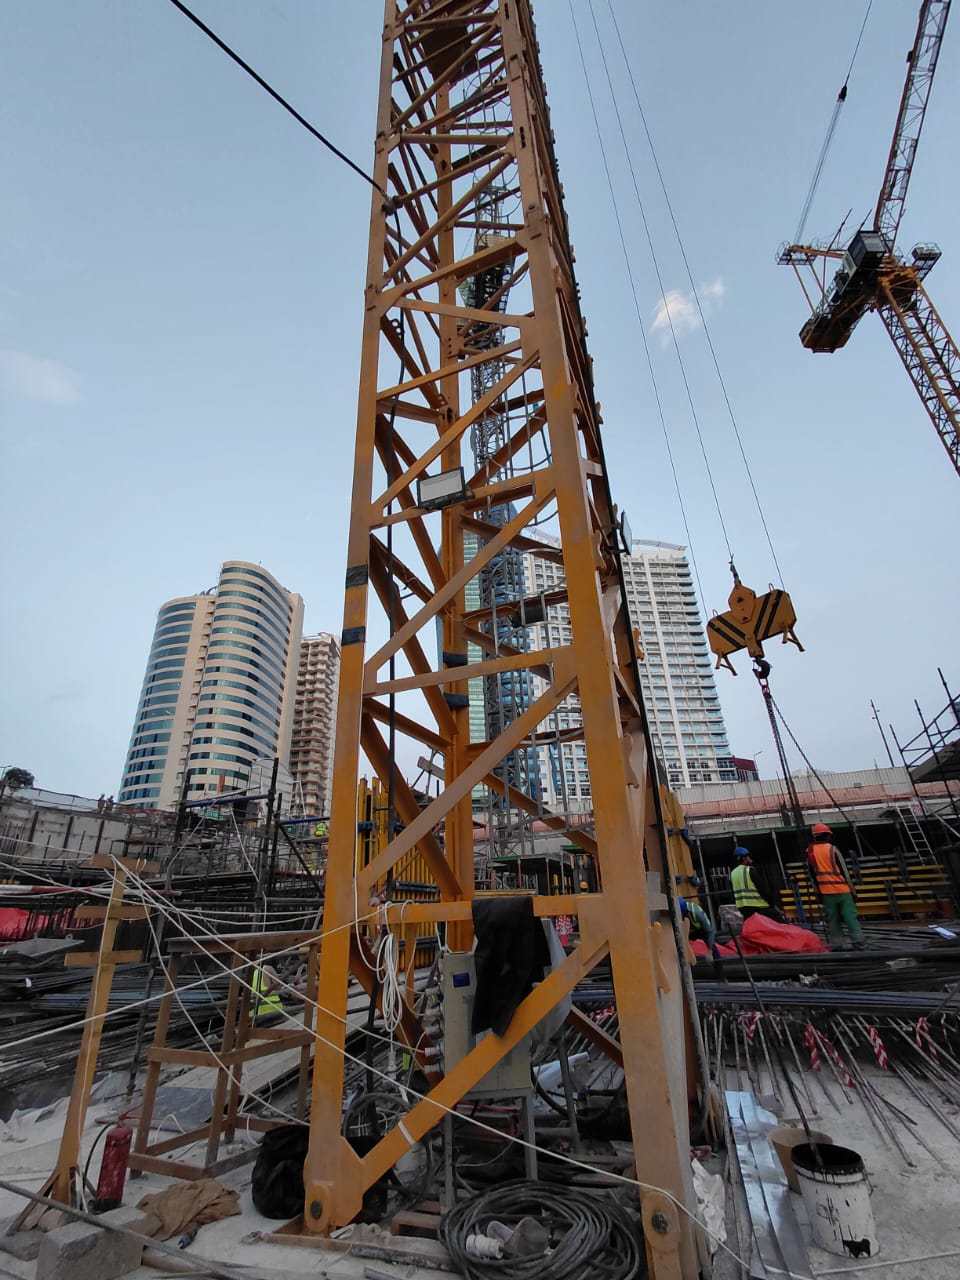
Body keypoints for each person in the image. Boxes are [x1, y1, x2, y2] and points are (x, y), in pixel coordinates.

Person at [807, 823, 865, 951]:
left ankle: (837, 946)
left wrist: (818, 894)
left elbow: (812, 876)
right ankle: (859, 944)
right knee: (850, 917)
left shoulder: (810, 852)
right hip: (842, 890)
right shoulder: (833, 850)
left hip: (826, 893)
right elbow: (844, 871)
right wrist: (853, 891)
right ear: (827, 836)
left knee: (833, 920)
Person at [729, 847, 784, 922]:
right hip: (758, 906)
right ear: (744, 858)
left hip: (743, 908)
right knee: (779, 921)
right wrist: (772, 904)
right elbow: (762, 889)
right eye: (749, 857)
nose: (751, 859)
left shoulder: (732, 873)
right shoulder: (749, 870)